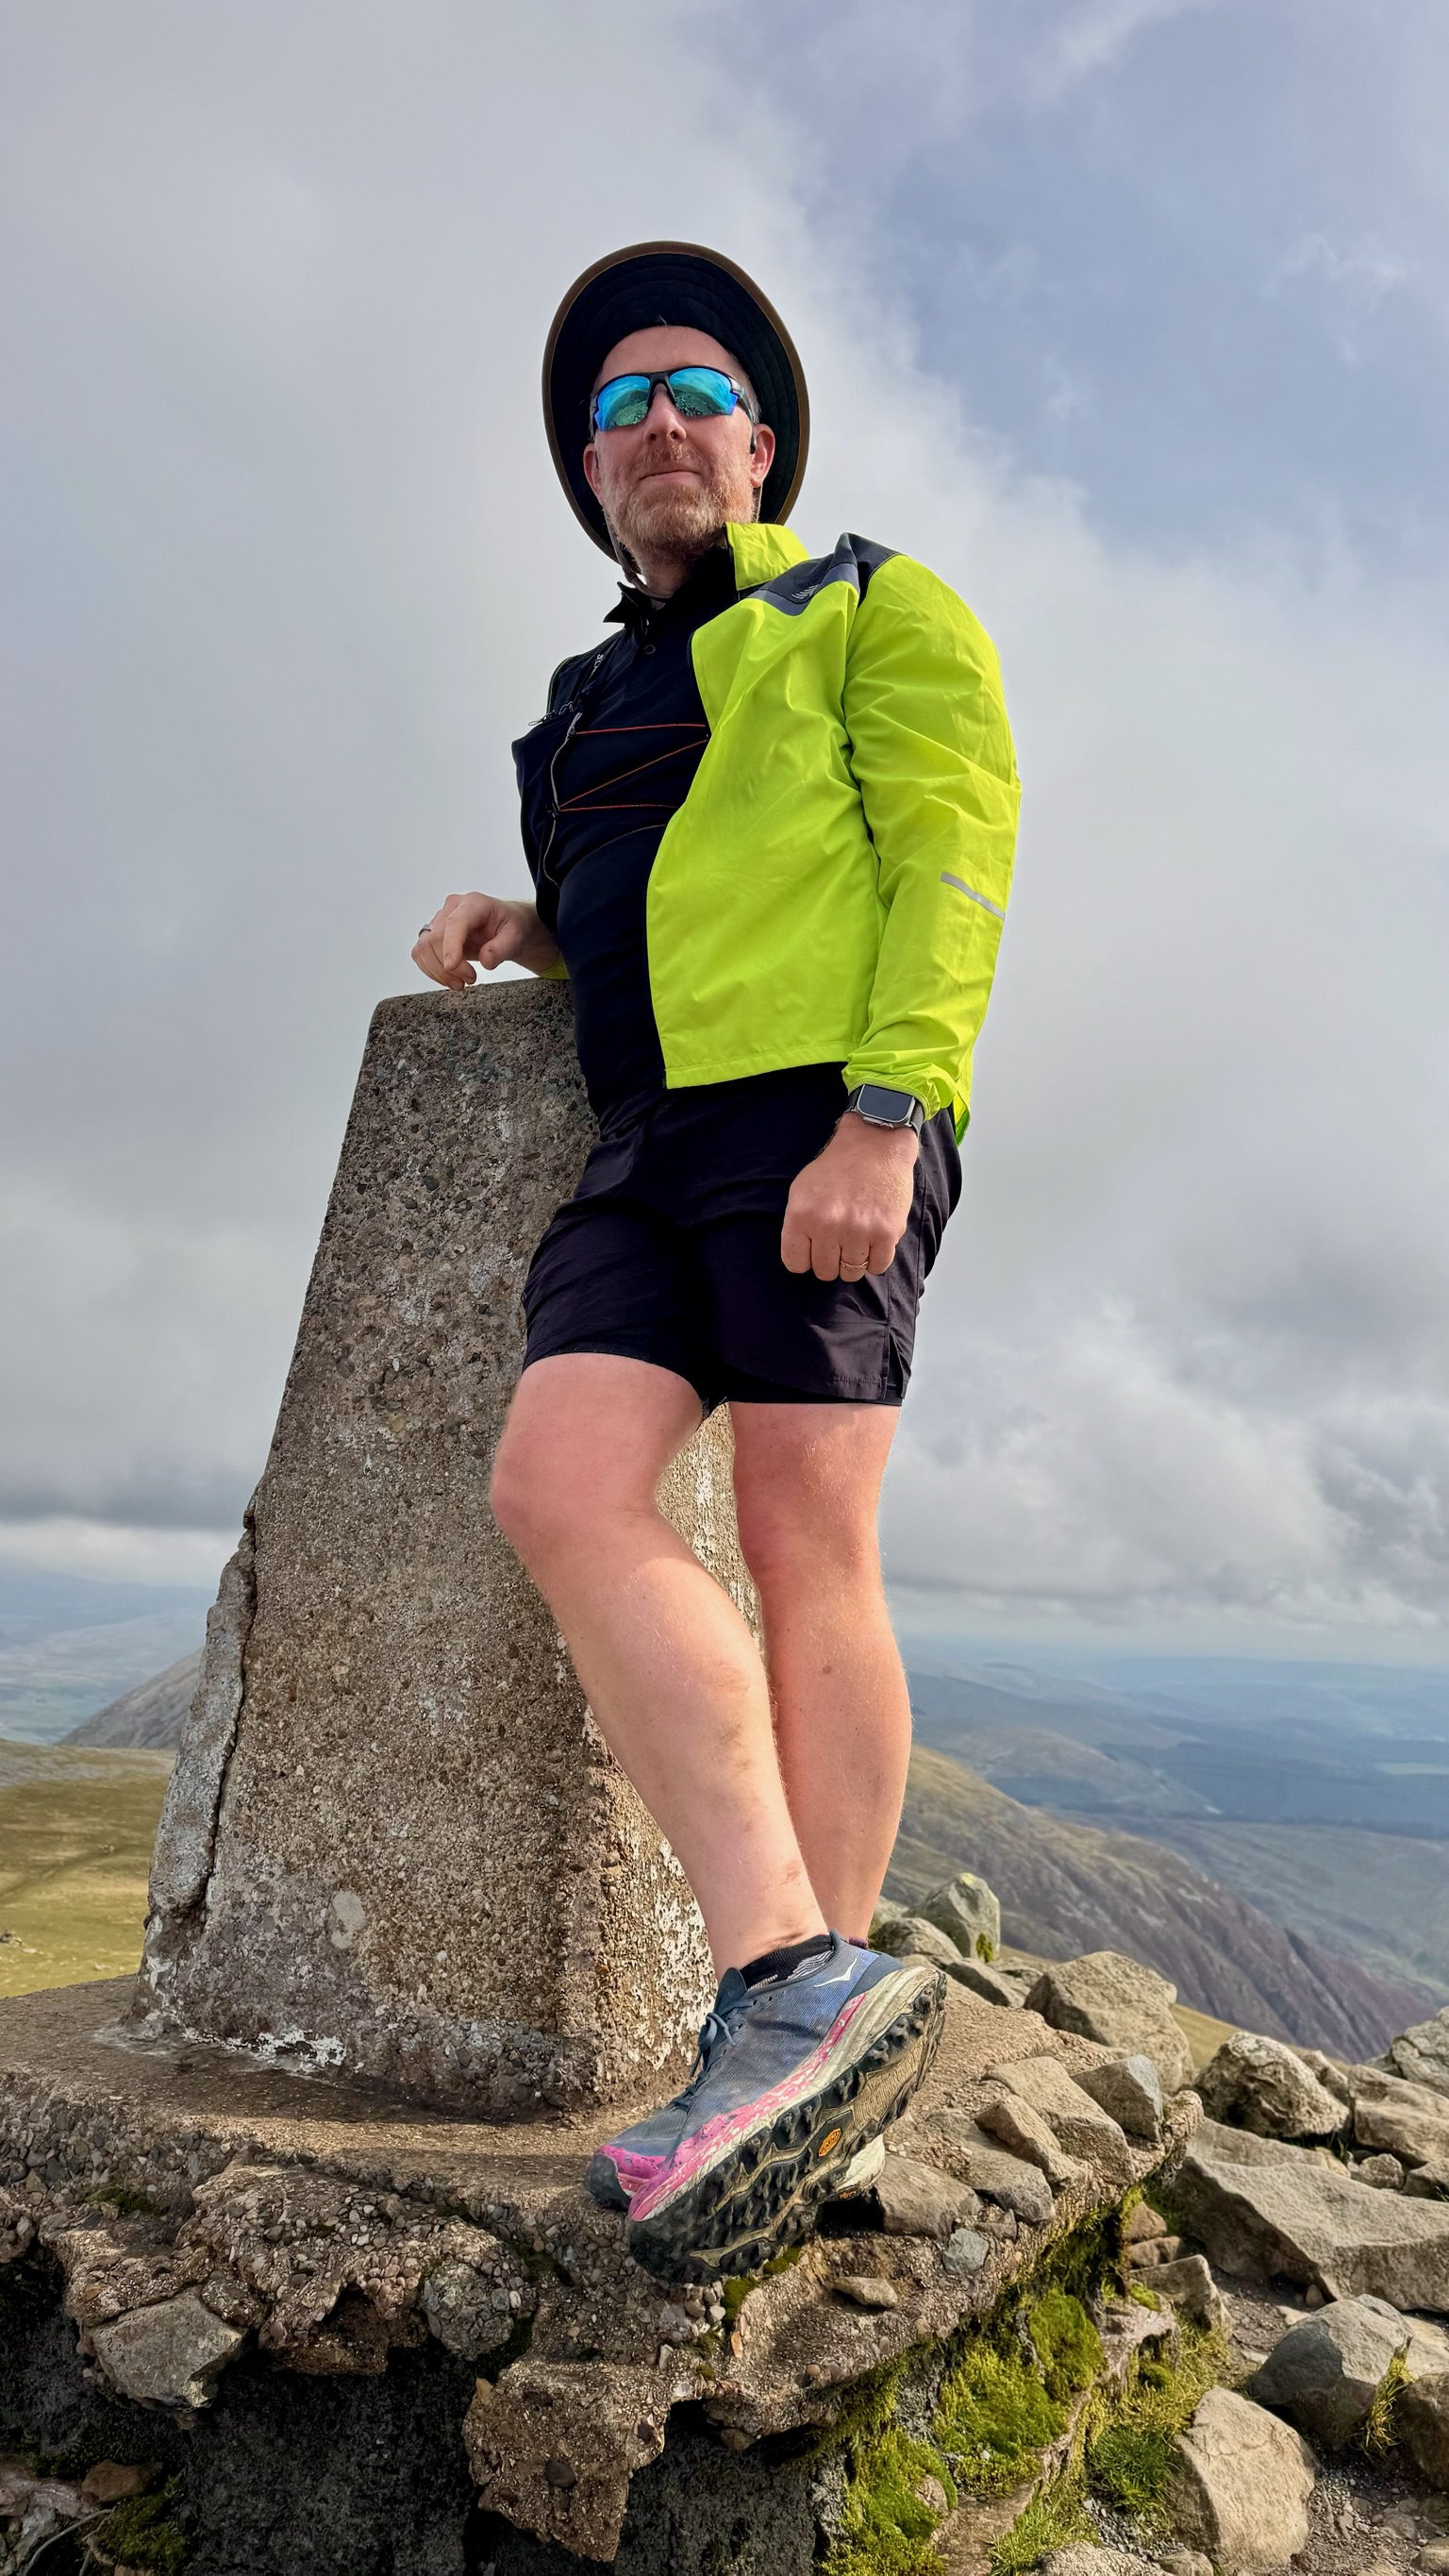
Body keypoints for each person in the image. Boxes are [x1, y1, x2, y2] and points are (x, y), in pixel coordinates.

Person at [414, 242, 1019, 2280]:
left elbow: (948, 847)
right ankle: (799, 1990)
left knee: (799, 1531)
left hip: (811, 1113)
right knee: (556, 1486)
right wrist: (534, 918)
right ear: (591, 478)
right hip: (639, 1142)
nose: (654, 425)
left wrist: (891, 1113)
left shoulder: (870, 604)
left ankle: (801, 2006)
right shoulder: (578, 710)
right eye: (615, 409)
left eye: (693, 393)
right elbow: (660, 881)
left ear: (758, 438)